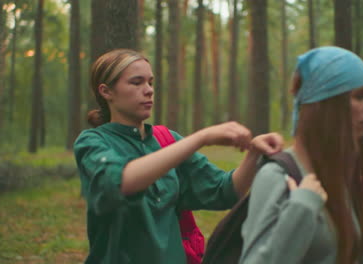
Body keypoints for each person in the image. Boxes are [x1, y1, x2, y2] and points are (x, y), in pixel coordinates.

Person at [73, 49, 284, 264]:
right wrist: (201, 137)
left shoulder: (166, 140)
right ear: (106, 92)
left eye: (150, 82)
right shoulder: (92, 142)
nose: (148, 91)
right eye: (136, 83)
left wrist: (254, 155)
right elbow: (121, 181)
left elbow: (224, 190)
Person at [239, 46, 363, 264]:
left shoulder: (341, 181)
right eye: (360, 96)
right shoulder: (276, 178)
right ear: (326, 104)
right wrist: (301, 209)